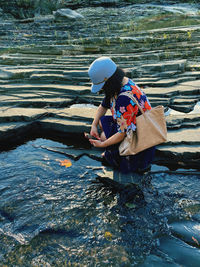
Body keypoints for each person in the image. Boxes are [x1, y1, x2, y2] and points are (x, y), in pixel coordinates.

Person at [87, 56, 155, 174]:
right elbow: (103, 106)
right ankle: (108, 143)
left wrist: (103, 144)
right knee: (101, 123)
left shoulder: (123, 97)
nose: (101, 89)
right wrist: (93, 125)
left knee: (108, 147)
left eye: (101, 85)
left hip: (140, 137)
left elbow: (122, 133)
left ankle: (114, 152)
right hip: (131, 125)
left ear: (108, 80)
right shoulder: (121, 82)